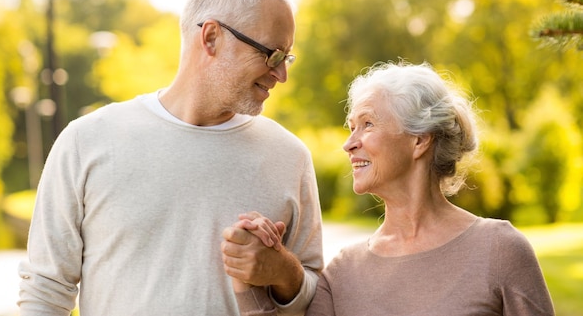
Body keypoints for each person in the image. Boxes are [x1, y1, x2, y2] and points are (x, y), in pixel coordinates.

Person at [18, 0, 324, 316]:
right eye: (272, 55)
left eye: (287, 58)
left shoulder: (289, 156)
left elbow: (317, 298)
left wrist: (283, 271)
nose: (282, 74)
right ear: (211, 37)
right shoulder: (86, 141)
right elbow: (44, 292)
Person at [227, 61, 555, 316]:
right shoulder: (343, 274)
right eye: (351, 128)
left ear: (419, 139)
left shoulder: (500, 250)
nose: (348, 145)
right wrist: (248, 277)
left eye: (367, 124)